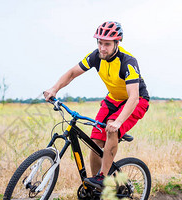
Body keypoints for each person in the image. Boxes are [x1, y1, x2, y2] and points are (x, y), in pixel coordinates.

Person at [44, 21, 150, 189]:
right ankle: (95, 185)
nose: (102, 48)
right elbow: (72, 73)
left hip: (136, 101)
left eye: (107, 44)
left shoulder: (127, 61)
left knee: (111, 129)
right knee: (95, 141)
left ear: (117, 43)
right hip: (113, 99)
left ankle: (103, 177)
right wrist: (54, 88)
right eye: (99, 43)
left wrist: (118, 122)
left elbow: (133, 98)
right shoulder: (96, 57)